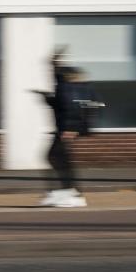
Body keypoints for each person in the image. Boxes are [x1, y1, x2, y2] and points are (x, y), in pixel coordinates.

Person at [38, 48, 92, 208]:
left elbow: (71, 109)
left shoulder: (67, 88)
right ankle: (67, 192)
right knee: (60, 160)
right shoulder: (64, 87)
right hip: (63, 129)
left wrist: (70, 129)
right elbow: (60, 105)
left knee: (56, 158)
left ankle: (70, 193)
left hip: (65, 130)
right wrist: (46, 98)